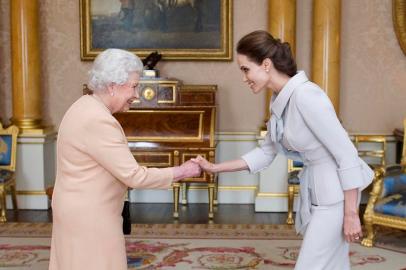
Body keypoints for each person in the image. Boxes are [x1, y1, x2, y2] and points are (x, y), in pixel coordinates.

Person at [192, 30, 373, 270]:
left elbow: (346, 153)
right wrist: (215, 168)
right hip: (317, 193)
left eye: (245, 69)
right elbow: (267, 151)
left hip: (334, 198)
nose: (244, 77)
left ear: (266, 64)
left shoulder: (306, 95)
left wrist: (351, 214)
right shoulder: (279, 99)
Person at [49, 48, 201, 270]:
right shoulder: (98, 120)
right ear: (113, 86)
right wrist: (182, 171)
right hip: (90, 218)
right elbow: (134, 176)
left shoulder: (83, 106)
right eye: (134, 86)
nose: (137, 95)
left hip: (76, 210)